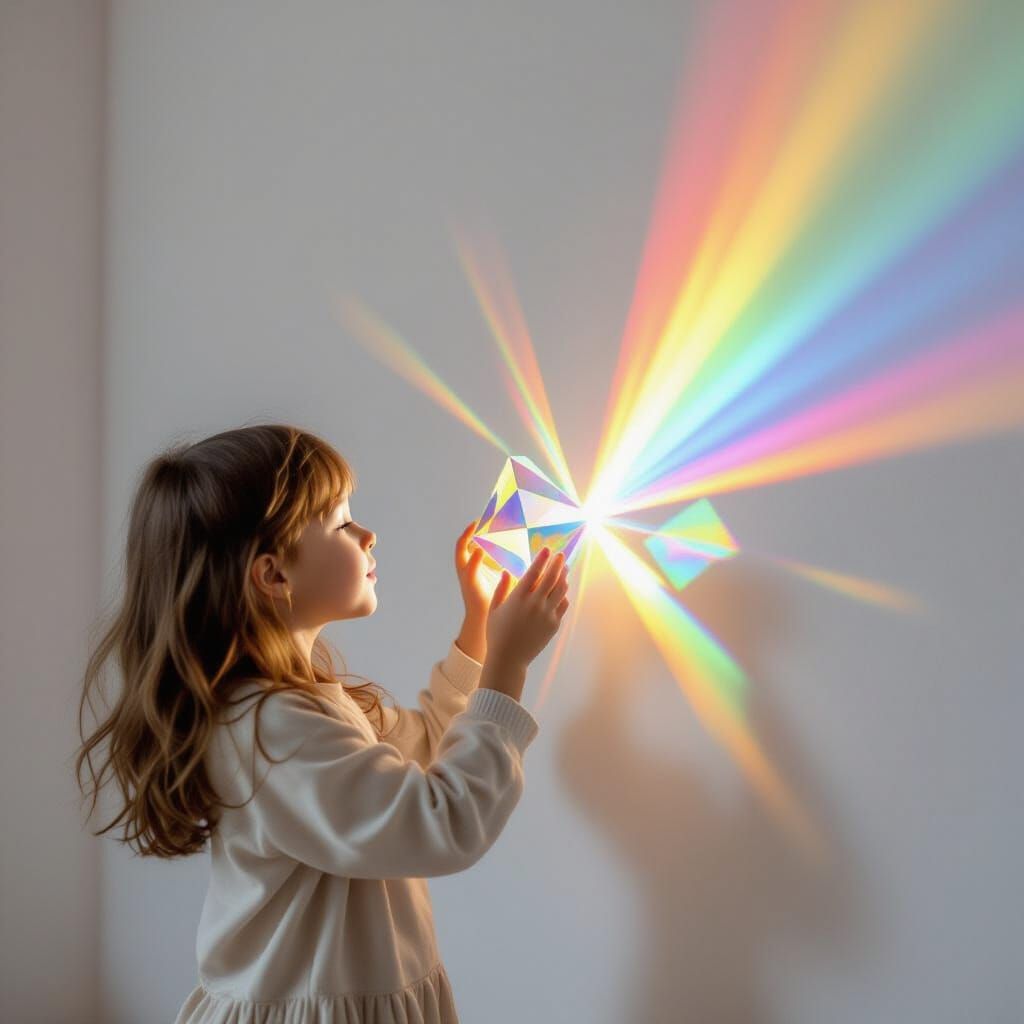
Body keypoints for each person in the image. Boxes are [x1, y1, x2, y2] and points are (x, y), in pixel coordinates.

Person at [75, 423, 569, 1024]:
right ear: (273, 575)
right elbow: (442, 822)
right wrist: (508, 665)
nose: (367, 535)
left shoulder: (301, 704)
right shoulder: (271, 728)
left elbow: (426, 752)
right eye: (341, 523)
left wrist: (479, 632)